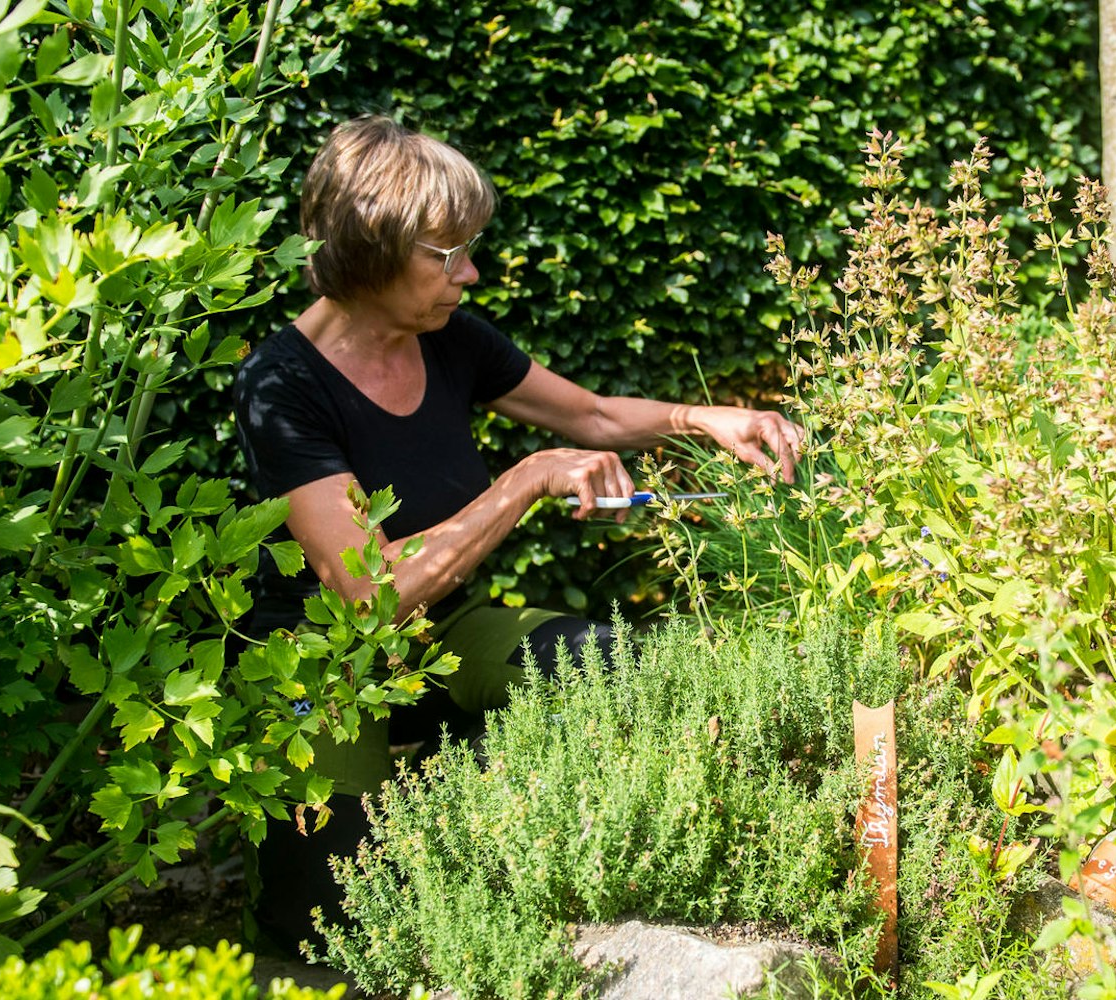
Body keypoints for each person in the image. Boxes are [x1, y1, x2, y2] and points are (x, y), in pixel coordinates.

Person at [232, 115, 803, 947]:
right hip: (323, 663)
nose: (470, 271)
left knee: (621, 669)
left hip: (446, 635)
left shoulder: (449, 337)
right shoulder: (280, 386)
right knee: (323, 928)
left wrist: (703, 418)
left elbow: (596, 415)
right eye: (446, 252)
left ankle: (498, 843)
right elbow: (365, 592)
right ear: (371, 245)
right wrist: (529, 477)